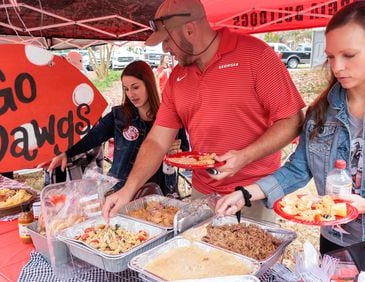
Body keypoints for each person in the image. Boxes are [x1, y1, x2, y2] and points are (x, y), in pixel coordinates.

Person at [216, 2, 365, 282]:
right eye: (331, 56)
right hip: (336, 242)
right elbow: (298, 169)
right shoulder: (322, 111)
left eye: (349, 55)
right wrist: (246, 193)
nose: (338, 67)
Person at [102, 0, 305, 221]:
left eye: (167, 40)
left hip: (254, 194)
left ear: (189, 30)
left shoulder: (256, 56)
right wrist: (128, 189)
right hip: (203, 194)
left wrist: (244, 157)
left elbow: (292, 121)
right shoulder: (176, 78)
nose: (165, 48)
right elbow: (157, 141)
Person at [38, 60, 189, 194]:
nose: (131, 94)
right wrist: (66, 152)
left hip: (160, 189)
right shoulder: (119, 116)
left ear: (149, 84)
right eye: (126, 89)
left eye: (135, 87)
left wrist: (176, 153)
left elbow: (185, 152)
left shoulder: (169, 115)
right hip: (121, 188)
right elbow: (93, 136)